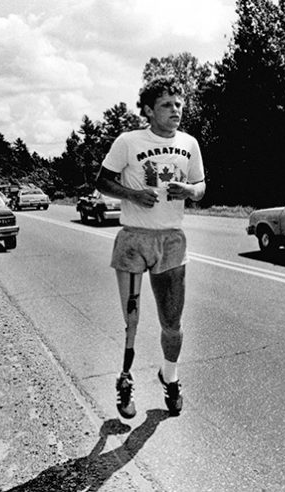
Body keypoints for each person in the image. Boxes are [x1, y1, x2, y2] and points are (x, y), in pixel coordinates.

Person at [94, 76, 206, 419]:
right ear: (148, 110)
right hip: (134, 238)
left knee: (172, 322)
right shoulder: (128, 141)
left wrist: (189, 191)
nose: (176, 110)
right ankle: (125, 380)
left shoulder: (189, 143)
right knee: (132, 320)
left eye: (179, 104)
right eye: (166, 105)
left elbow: (201, 185)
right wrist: (133, 195)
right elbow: (102, 180)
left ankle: (170, 378)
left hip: (171, 239)